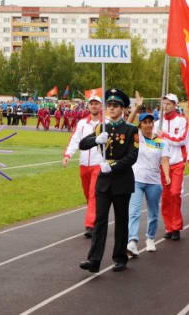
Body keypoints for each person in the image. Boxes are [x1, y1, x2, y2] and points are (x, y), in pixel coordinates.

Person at [79, 88, 139, 273]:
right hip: (104, 182)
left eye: (116, 106)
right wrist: (96, 140)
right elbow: (82, 144)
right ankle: (94, 259)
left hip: (121, 180)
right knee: (100, 221)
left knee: (121, 220)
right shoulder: (100, 128)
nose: (111, 108)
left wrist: (112, 166)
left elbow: (132, 157)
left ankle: (119, 257)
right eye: (110, 105)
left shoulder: (130, 130)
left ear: (123, 109)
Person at [126, 105, 171, 255]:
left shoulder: (160, 141)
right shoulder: (136, 137)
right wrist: (136, 108)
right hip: (136, 180)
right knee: (134, 211)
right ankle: (132, 241)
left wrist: (167, 175)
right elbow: (127, 124)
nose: (148, 125)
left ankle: (150, 238)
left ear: (153, 124)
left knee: (153, 212)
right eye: (144, 122)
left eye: (150, 122)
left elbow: (164, 160)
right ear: (140, 125)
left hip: (154, 182)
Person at [63, 96, 103, 238]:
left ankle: (90, 225)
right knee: (88, 194)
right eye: (91, 104)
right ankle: (95, 215)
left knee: (93, 193)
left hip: (99, 164)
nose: (94, 106)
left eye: (96, 104)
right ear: (88, 106)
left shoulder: (106, 124)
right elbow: (74, 140)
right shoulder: (82, 124)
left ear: (100, 106)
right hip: (84, 164)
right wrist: (68, 155)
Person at [154, 93, 188, 241]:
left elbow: (181, 140)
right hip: (162, 165)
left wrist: (165, 136)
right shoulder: (157, 123)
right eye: (164, 104)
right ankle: (169, 227)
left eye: (169, 104)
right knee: (166, 197)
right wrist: (156, 141)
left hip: (177, 163)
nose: (166, 106)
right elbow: (152, 144)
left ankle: (177, 225)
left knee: (175, 193)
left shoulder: (182, 121)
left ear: (175, 105)